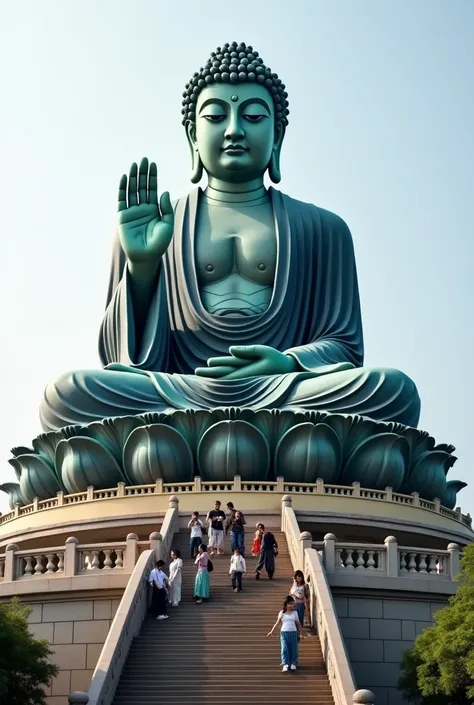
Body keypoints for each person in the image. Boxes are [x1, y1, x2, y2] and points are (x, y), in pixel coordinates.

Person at [267, 595, 302, 672]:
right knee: (284, 648)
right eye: (290, 603)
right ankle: (285, 664)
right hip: (284, 632)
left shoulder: (295, 613)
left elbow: (298, 624)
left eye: (292, 604)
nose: (291, 605)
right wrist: (271, 631)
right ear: (286, 604)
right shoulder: (281, 613)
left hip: (293, 632)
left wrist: (301, 633)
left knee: (294, 648)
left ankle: (293, 663)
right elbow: (277, 623)